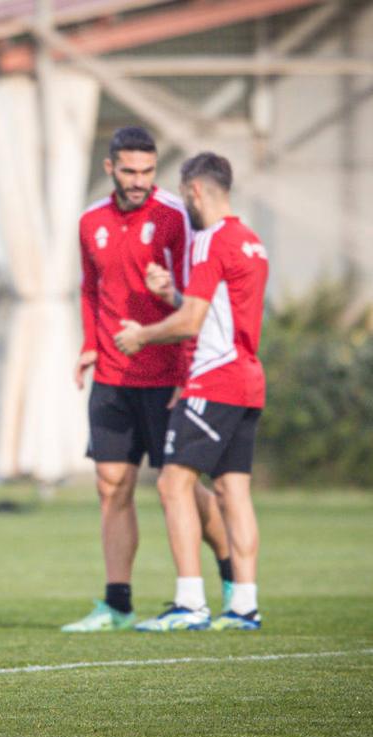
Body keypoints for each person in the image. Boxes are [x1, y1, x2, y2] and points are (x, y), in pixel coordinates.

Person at [64, 127, 234, 634]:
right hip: (113, 377)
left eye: (147, 171)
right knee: (110, 485)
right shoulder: (89, 221)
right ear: (110, 167)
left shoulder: (175, 217)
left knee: (180, 486)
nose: (138, 181)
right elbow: (90, 289)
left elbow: (194, 299)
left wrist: (186, 372)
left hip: (166, 375)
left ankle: (230, 569)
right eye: (129, 170)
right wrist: (90, 344)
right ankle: (118, 603)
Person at [113, 151, 268, 631]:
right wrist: (170, 296)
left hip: (214, 378)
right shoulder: (252, 242)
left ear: (196, 190)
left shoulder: (208, 242)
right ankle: (244, 605)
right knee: (232, 489)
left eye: (185, 194)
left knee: (172, 483)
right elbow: (214, 312)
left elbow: (193, 323)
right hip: (247, 379)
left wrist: (141, 334)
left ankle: (190, 604)